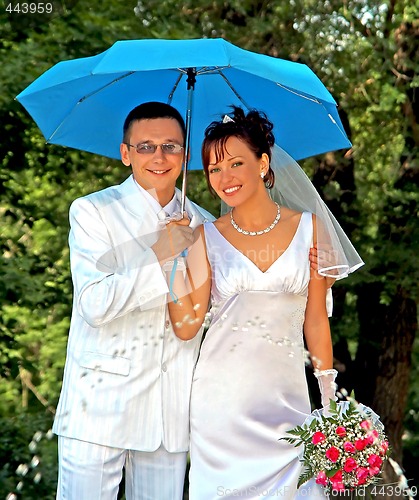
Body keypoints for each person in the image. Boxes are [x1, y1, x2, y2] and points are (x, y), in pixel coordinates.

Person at [165, 107, 363, 499]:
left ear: (263, 163)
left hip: (287, 402)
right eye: (214, 169)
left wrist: (327, 401)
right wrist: (173, 262)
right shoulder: (205, 237)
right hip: (220, 404)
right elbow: (187, 325)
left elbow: (316, 322)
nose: (226, 178)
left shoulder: (310, 227)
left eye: (236, 162)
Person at [52, 101, 215, 500]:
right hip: (98, 408)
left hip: (169, 414)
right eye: (146, 146)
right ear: (126, 153)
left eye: (171, 146)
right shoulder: (93, 212)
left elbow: (211, 315)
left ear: (186, 154)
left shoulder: (206, 224)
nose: (159, 157)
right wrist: (161, 254)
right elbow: (94, 304)